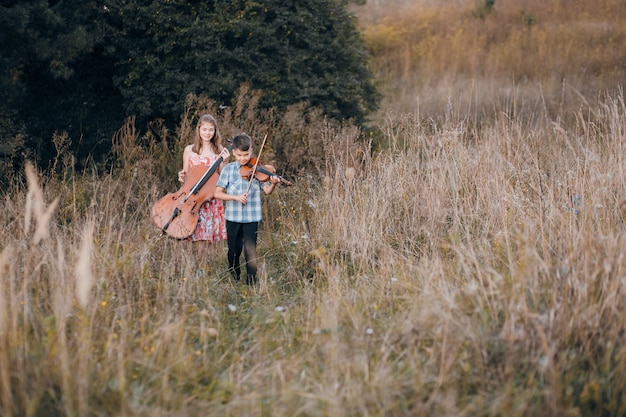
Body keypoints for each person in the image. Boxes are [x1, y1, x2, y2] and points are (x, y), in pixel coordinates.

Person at [214, 133, 280, 285]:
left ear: (251, 151)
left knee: (251, 251)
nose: (243, 158)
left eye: (246, 154)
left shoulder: (258, 169)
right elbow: (217, 193)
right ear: (233, 152)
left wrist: (274, 183)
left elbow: (267, 191)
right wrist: (236, 197)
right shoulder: (228, 170)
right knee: (233, 251)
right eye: (239, 155)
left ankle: (251, 281)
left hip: (252, 217)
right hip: (233, 217)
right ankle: (234, 276)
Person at [178, 114, 230, 245]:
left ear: (215, 131)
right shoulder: (189, 150)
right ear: (199, 130)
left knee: (207, 240)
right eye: (204, 129)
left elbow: (223, 178)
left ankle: (205, 265)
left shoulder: (220, 150)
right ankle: (196, 265)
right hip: (193, 198)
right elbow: (185, 175)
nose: (207, 133)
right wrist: (181, 176)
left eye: (211, 129)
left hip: (210, 198)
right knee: (193, 236)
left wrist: (226, 160)